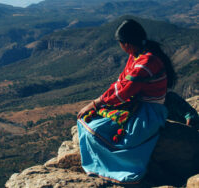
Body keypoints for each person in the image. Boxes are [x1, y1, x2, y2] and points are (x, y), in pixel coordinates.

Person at [76, 19, 177, 184]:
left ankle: (112, 168)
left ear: (127, 44)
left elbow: (123, 90)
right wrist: (101, 101)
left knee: (96, 129)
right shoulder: (138, 54)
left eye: (120, 43)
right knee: (95, 120)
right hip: (138, 104)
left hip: (148, 112)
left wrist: (95, 103)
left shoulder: (146, 62)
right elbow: (122, 83)